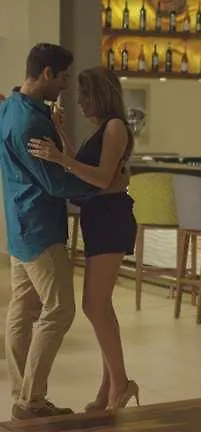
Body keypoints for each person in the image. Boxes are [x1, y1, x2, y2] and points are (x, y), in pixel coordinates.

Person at [0, 44, 103, 420]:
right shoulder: (30, 122)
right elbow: (56, 184)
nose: (66, 86)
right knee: (59, 309)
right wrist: (102, 185)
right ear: (47, 73)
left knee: (22, 310)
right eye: (63, 77)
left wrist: (57, 129)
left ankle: (24, 397)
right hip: (40, 229)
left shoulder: (10, 107)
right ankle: (31, 400)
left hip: (18, 226)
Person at [28, 66, 139, 411]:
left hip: (110, 219)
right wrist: (63, 137)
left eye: (85, 96)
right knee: (101, 305)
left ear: (101, 95)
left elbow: (102, 178)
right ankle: (110, 386)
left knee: (94, 304)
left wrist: (60, 158)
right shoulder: (104, 129)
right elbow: (86, 169)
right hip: (100, 218)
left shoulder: (115, 126)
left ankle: (120, 384)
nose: (80, 103)